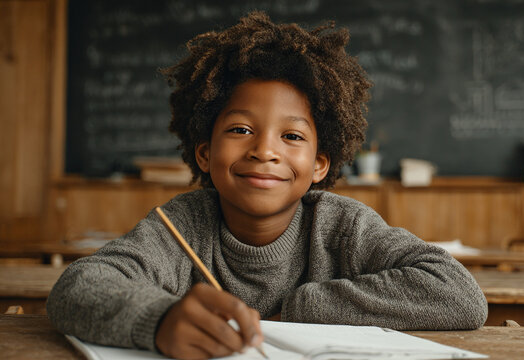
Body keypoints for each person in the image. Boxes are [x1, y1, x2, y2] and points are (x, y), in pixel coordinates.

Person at [47, 11, 488, 360]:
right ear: (204, 152)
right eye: (240, 129)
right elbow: (77, 288)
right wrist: (158, 319)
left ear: (319, 165)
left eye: (292, 136)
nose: (264, 151)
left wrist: (296, 310)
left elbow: (459, 294)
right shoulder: (181, 227)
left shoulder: (342, 227)